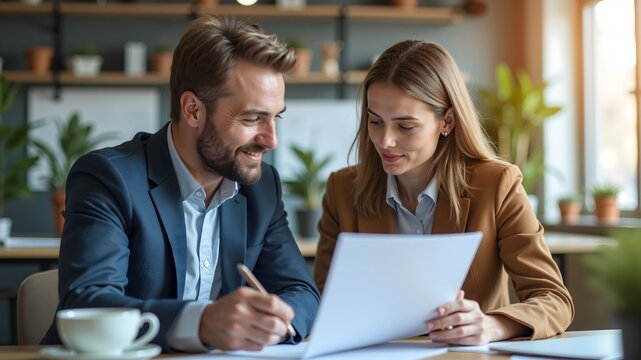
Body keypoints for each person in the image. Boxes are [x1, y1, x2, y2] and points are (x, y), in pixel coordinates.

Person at [42, 16, 320, 352]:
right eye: (252, 118)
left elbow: (301, 293)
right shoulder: (108, 177)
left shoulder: (261, 187)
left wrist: (272, 323)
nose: (271, 140)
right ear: (193, 110)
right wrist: (201, 322)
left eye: (276, 117)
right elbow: (87, 302)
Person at [313, 40, 574, 345]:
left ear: (447, 121)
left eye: (405, 126)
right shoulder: (342, 189)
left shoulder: (497, 185)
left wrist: (492, 326)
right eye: (375, 122)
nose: (385, 141)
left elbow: (554, 298)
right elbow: (324, 300)